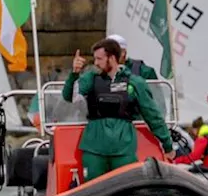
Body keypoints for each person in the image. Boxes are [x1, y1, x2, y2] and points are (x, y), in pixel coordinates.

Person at [62, 39, 172, 182]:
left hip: (123, 150)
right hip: (94, 149)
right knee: (93, 191)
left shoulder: (135, 83)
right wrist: (74, 74)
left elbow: (152, 115)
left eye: (99, 59)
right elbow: (69, 97)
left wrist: (167, 144)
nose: (95, 63)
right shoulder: (90, 79)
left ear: (112, 58)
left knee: (126, 191)